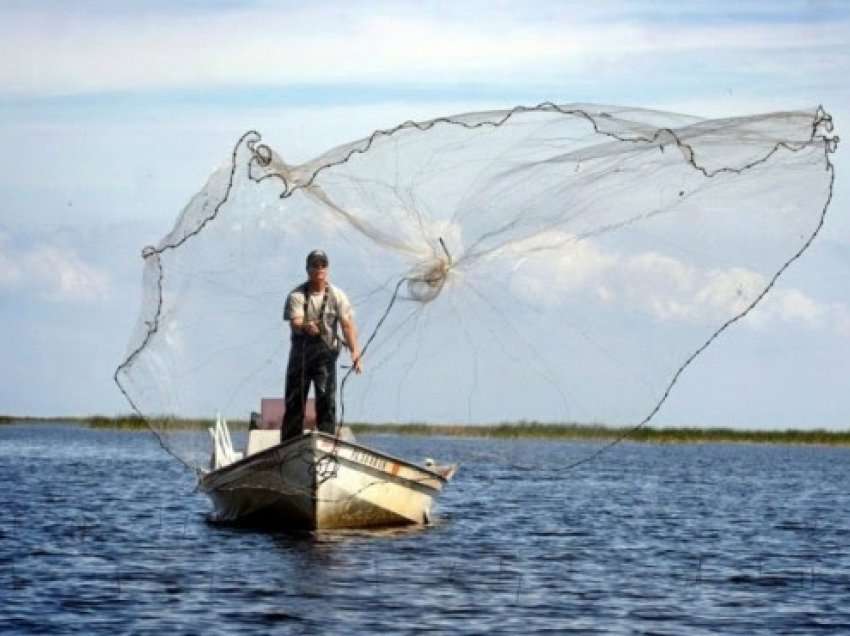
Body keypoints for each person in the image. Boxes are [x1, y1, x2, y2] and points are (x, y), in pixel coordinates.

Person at [281, 249, 362, 441]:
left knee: (326, 400)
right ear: (307, 269)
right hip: (300, 356)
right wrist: (305, 326)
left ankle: (326, 442)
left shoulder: (338, 295)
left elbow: (347, 325)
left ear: (327, 269)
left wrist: (355, 353)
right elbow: (295, 321)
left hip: (325, 358)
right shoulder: (297, 295)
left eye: (322, 265)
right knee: (295, 401)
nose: (319, 269)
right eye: (314, 265)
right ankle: (290, 444)